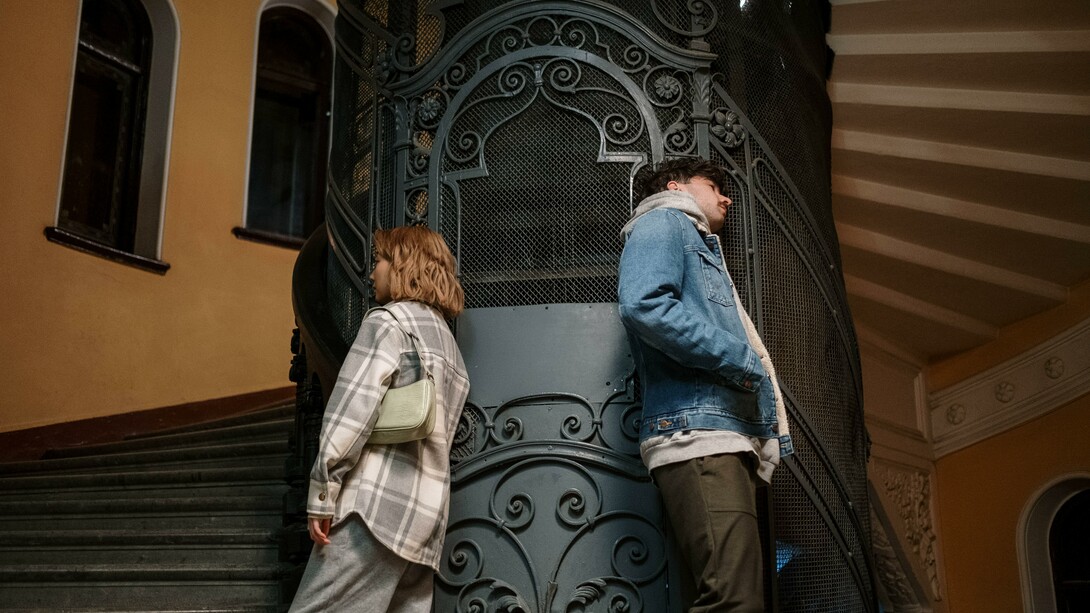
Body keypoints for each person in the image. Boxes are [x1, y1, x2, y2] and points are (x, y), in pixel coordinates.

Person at [617, 158, 793, 612]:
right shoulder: (665, 220)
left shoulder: (694, 239)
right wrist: (742, 359)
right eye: (713, 185)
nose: (726, 196)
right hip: (698, 436)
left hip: (711, 433)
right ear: (676, 187)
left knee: (736, 597)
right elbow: (644, 306)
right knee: (735, 601)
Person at [289, 225, 470, 613]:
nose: (372, 273)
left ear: (404, 265)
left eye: (380, 260)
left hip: (373, 510)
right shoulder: (448, 346)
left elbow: (350, 412)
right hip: (424, 522)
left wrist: (323, 490)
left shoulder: (387, 322)